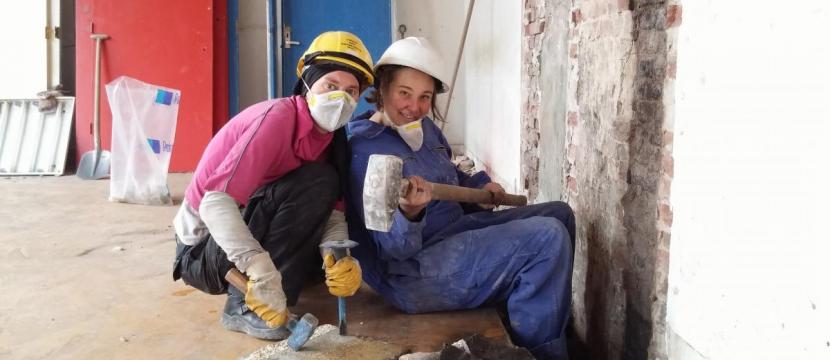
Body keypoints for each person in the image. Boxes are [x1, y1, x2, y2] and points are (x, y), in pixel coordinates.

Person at [346, 37, 576, 359]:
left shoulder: (423, 129)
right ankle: (541, 354)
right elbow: (392, 250)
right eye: (404, 93)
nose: (415, 106)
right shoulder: (364, 151)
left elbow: (451, 175)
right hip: (412, 270)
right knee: (546, 238)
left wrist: (482, 189)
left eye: (425, 97)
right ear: (382, 87)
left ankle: (538, 322)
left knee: (560, 214)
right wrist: (410, 214)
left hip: (456, 231)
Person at [172, 31, 372, 340]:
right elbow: (214, 203)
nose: (341, 98)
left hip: (243, 235)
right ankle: (244, 307)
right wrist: (259, 268)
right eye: (330, 86)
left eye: (351, 91)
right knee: (316, 181)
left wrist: (338, 256)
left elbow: (333, 212)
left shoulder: (332, 139)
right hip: (204, 250)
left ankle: (272, 296)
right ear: (307, 84)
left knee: (324, 188)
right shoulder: (278, 119)